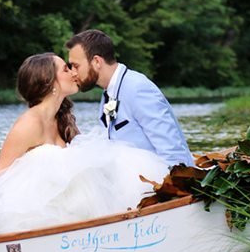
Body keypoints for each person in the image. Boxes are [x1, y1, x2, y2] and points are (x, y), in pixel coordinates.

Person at [0, 52, 169, 234]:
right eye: (65, 69)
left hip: (71, 208)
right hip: (38, 213)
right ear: (49, 81)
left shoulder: (59, 119)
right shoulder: (28, 124)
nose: (73, 72)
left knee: (125, 164)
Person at [66, 29, 194, 168]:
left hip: (156, 181)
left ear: (97, 61)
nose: (72, 73)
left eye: (76, 66)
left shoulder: (137, 88)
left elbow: (173, 152)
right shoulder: (107, 93)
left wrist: (172, 187)